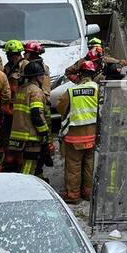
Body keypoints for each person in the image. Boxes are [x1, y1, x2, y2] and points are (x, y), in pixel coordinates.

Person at [55, 60, 100, 203]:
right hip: (92, 135)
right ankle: (88, 192)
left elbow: (60, 108)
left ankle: (73, 194)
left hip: (75, 136)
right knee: (89, 164)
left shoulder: (72, 91)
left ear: (80, 74)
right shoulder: (99, 89)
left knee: (73, 165)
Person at [6, 58, 51, 177]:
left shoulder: (21, 90)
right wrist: (45, 132)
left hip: (18, 135)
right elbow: (36, 114)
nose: (43, 77)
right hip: (30, 137)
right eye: (42, 75)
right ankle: (24, 188)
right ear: (36, 76)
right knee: (28, 167)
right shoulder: (36, 92)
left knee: (25, 165)